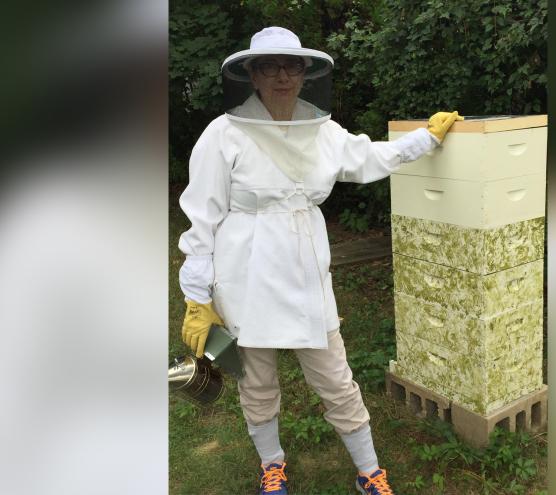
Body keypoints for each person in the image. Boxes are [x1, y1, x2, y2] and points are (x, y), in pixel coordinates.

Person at [178, 26, 462, 495]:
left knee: (335, 377)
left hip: (305, 270)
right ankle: (273, 466)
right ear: (251, 74)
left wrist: (425, 140)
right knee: (257, 382)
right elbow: (201, 215)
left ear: (306, 72)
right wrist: (196, 294)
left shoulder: (323, 130)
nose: (282, 76)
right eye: (269, 66)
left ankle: (369, 471)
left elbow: (370, 157)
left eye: (292, 65)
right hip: (243, 275)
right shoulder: (222, 134)